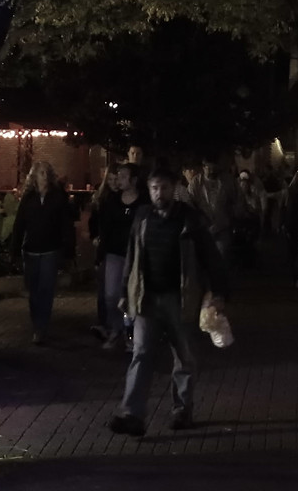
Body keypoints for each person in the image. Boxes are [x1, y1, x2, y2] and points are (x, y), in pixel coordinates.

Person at [109, 167, 230, 437]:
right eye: (154, 188)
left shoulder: (189, 220)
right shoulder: (143, 217)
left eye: (164, 187)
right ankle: (132, 414)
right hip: (147, 298)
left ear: (173, 188)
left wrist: (218, 292)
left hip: (180, 298)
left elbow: (211, 257)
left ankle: (182, 409)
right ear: (148, 189)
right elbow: (132, 256)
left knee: (184, 355)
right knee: (141, 353)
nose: (159, 193)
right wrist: (124, 292)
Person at [10, 161, 72, 346]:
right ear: (34, 177)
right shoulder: (28, 198)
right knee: (33, 290)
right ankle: (36, 320)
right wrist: (14, 249)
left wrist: (68, 250)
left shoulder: (58, 197)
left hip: (50, 250)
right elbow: (19, 224)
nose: (44, 176)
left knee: (46, 289)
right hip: (31, 250)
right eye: (41, 173)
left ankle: (41, 327)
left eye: (46, 173)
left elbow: (66, 225)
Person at [89, 164, 144, 350]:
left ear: (133, 180)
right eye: (118, 176)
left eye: (123, 176)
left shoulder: (143, 204)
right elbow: (105, 230)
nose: (119, 180)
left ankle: (130, 335)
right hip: (114, 253)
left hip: (135, 256)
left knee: (131, 296)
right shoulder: (112, 201)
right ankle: (115, 328)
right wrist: (100, 255)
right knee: (111, 295)